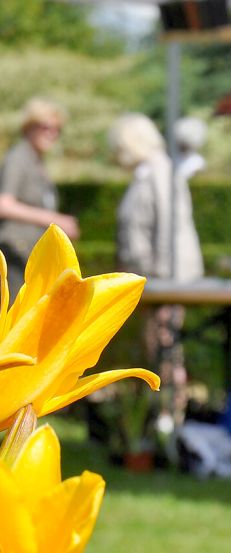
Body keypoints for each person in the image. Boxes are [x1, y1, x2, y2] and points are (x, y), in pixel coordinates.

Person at [111, 113, 203, 432]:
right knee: (159, 346)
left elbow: (167, 231)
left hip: (164, 277)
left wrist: (160, 278)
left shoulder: (159, 172)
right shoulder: (149, 172)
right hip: (152, 276)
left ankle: (171, 419)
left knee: (166, 346)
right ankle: (163, 416)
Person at [0, 98, 79, 298]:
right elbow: (3, 204)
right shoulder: (18, 158)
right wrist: (55, 220)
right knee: (19, 313)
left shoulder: (36, 161)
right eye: (46, 127)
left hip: (28, 252)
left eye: (57, 129)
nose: (53, 134)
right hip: (14, 250)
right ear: (29, 127)